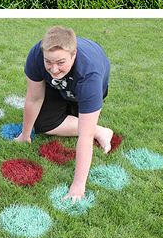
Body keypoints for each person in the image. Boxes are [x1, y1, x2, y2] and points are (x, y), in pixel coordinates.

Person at [15, 26, 112, 201]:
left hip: (81, 88)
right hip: (57, 87)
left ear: (73, 55)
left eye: (60, 62)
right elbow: (34, 98)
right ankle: (99, 129)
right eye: (48, 62)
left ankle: (100, 130)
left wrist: (78, 185)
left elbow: (84, 136)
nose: (53, 69)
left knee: (85, 127)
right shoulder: (37, 55)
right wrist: (25, 134)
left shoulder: (89, 75)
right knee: (42, 125)